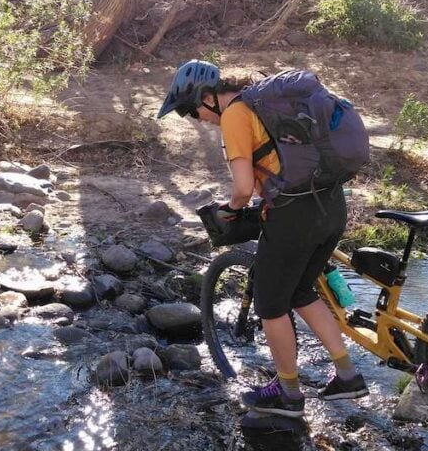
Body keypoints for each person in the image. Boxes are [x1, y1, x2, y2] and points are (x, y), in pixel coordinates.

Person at [157, 59, 369, 418]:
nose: (198, 121)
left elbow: (242, 188)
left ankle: (288, 394)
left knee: (270, 307)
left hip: (293, 218)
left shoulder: (236, 115)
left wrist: (231, 209)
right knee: (302, 291)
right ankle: (347, 374)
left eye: (192, 112)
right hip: (331, 205)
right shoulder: (262, 100)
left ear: (208, 97)